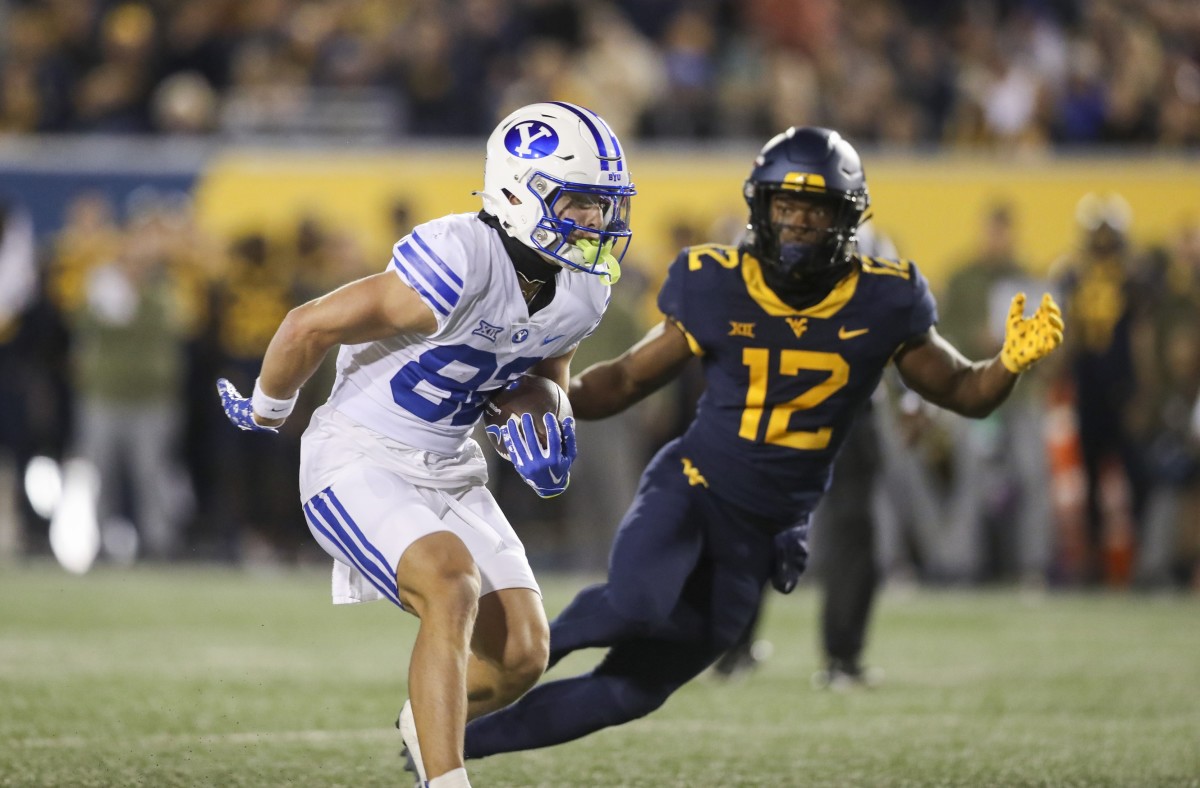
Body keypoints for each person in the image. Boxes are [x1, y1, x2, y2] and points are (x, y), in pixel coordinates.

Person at [462, 126, 1063, 762]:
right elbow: (627, 379)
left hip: (761, 533)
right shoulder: (719, 281)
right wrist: (541, 392)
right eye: (785, 205)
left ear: (846, 218)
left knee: (631, 691)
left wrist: (1008, 365)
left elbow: (964, 390)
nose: (798, 221)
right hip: (691, 492)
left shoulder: (885, 298)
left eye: (814, 209)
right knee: (635, 605)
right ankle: (460, 689)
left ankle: (451, 744)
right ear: (760, 207)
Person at [216, 101, 636, 788]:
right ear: (517, 193)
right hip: (359, 454)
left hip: (452, 465)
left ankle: (427, 720)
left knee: (523, 655)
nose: (596, 220)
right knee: (449, 580)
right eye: (579, 201)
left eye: (603, 203)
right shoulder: (460, 257)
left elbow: (547, 366)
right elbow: (307, 325)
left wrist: (545, 409)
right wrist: (269, 409)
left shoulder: (584, 289)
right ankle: (446, 780)